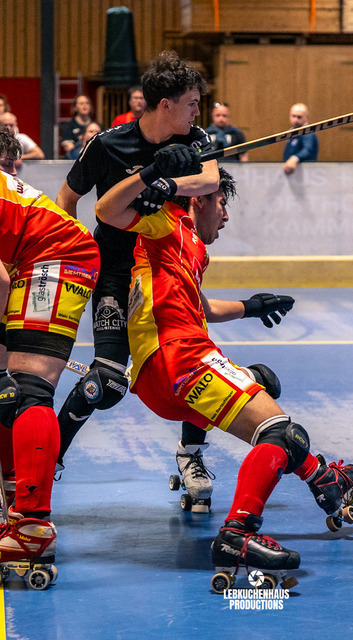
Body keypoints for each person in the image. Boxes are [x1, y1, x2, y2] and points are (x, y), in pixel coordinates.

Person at [94, 151, 353, 580]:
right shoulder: (166, 222)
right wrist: (156, 175)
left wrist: (252, 306)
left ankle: (320, 477)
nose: (225, 216)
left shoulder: (189, 248)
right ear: (200, 198)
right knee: (281, 433)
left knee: (264, 391)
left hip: (161, 374)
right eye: (221, 203)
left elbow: (201, 307)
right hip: (180, 357)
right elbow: (106, 209)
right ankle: (237, 533)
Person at [54, 50, 221, 496]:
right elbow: (67, 201)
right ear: (165, 105)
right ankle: (49, 454)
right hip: (115, 269)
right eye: (191, 103)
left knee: (194, 366)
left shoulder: (196, 137)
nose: (197, 112)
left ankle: (191, 455)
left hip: (166, 271)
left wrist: (169, 183)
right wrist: (76, 256)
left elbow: (209, 179)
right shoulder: (108, 144)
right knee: (108, 381)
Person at [0, 128, 100, 582]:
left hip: (56, 257)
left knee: (28, 389)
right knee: (12, 387)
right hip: (43, 256)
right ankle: (16, 493)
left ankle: (32, 526)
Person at [282, 103, 318, 175]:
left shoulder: (308, 133)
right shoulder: (291, 132)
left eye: (299, 117)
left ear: (306, 117)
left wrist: (295, 158)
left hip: (306, 173)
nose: (296, 120)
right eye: (293, 116)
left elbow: (307, 150)